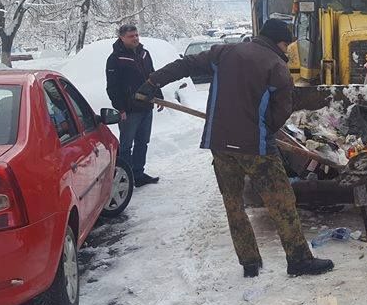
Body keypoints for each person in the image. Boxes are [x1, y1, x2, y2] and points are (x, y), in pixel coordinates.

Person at [134, 19, 334, 278]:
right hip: (256, 148)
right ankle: (298, 260)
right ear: (278, 41)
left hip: (220, 143)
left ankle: (249, 262)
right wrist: (264, 131)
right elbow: (282, 111)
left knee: (234, 204)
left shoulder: (224, 52)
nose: (287, 49)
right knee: (281, 202)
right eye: (286, 44)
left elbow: (186, 64)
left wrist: (152, 82)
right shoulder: (277, 67)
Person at [106, 24, 162, 187]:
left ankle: (138, 174)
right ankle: (125, 179)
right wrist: (120, 108)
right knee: (125, 146)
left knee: (142, 142)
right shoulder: (115, 59)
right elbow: (112, 87)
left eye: (137, 35)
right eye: (131, 36)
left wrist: (158, 95)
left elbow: (152, 75)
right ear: (122, 37)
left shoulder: (144, 54)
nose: (135, 38)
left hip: (146, 106)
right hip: (129, 111)